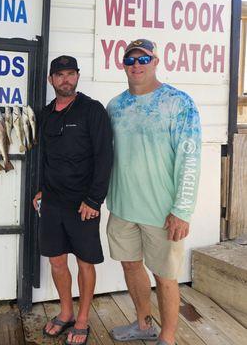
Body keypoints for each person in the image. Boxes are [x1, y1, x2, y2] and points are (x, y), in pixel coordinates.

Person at [106, 39, 201, 345]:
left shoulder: (179, 103)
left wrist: (182, 211)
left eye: (143, 59)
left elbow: (190, 159)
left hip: (163, 212)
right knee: (131, 265)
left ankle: (168, 338)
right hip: (122, 207)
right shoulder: (115, 106)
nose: (136, 65)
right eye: (130, 60)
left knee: (165, 276)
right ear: (123, 65)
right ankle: (143, 324)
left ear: (156, 61)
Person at [33, 55, 113, 345]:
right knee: (56, 261)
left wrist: (94, 200)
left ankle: (82, 318)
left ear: (77, 77)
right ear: (51, 80)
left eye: (70, 74)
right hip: (52, 202)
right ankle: (66, 312)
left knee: (84, 263)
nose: (65, 79)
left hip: (83, 204)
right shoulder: (45, 114)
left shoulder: (92, 111)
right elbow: (44, 156)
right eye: (60, 75)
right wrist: (41, 189)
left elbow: (105, 157)